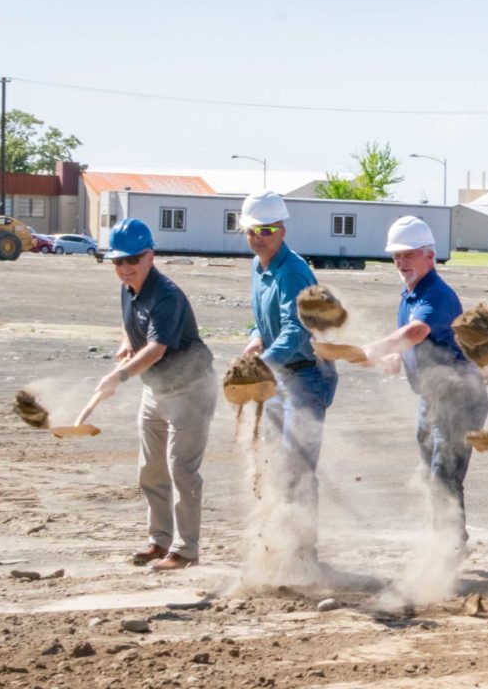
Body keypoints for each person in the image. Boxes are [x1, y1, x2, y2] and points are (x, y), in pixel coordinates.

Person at [358, 216, 488, 548]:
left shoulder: (436, 294)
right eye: (397, 255)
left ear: (429, 255)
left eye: (409, 254)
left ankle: (449, 547)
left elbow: (417, 331)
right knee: (434, 472)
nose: (402, 262)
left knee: (444, 472)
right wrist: (396, 356)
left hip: (460, 399)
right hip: (432, 399)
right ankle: (447, 538)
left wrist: (378, 348)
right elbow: (417, 341)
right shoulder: (410, 294)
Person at [97, 219, 216, 570]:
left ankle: (186, 550)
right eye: (118, 261)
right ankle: (159, 540)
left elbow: (156, 348)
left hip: (190, 389)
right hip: (156, 389)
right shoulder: (129, 288)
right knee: (150, 469)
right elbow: (134, 323)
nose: (125, 267)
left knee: (182, 469)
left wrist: (119, 376)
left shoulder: (166, 295)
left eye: (133, 259)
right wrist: (125, 342)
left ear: (150, 256)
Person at [240, 191, 338, 555]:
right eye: (252, 230)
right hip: (280, 375)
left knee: (298, 467)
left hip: (308, 376)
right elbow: (263, 320)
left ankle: (303, 551)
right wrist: (256, 338)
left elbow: (297, 329)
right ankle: (281, 539)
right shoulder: (258, 267)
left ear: (282, 229)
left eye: (267, 230)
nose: (258, 237)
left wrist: (265, 361)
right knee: (276, 460)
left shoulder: (292, 271)